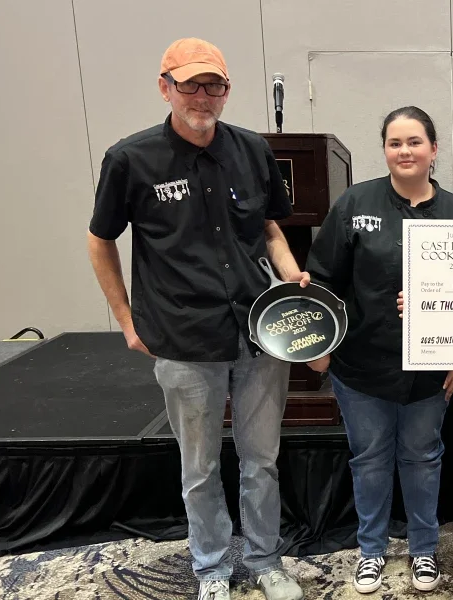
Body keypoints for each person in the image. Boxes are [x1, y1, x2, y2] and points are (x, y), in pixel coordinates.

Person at [86, 38, 305, 600]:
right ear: (165, 87)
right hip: (183, 337)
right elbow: (99, 239)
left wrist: (292, 277)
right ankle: (211, 569)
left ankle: (265, 561)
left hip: (260, 332)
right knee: (201, 468)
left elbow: (271, 228)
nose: (202, 96)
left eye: (214, 85)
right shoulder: (129, 159)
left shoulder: (253, 150)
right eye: (190, 85)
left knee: (262, 461)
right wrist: (126, 319)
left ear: (227, 91)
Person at [304, 106, 453, 594]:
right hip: (360, 366)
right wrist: (319, 348)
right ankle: (371, 551)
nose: (405, 151)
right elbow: (324, 280)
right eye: (395, 143)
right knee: (370, 459)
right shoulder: (354, 203)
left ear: (434, 150)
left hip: (429, 371)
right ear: (385, 150)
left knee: (423, 458)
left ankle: (423, 550)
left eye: (415, 142)